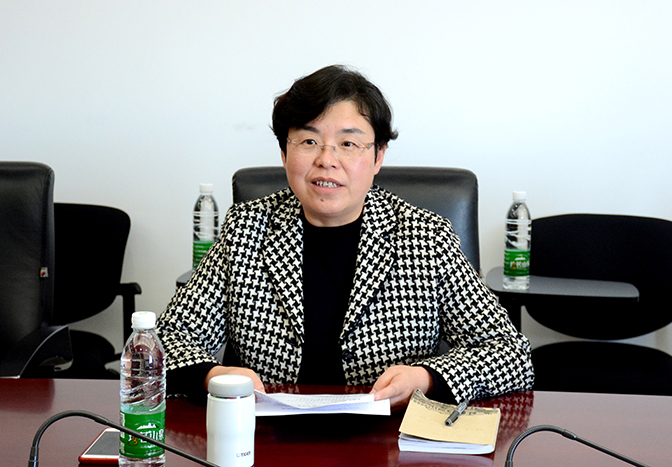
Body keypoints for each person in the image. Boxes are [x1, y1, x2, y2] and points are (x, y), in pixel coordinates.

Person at [158, 65, 535, 408]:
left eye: (349, 143)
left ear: (378, 156)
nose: (327, 159)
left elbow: (511, 354)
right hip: (266, 437)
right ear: (285, 154)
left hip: (389, 439)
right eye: (308, 142)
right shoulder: (246, 229)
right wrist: (212, 374)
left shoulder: (425, 236)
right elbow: (165, 341)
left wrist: (427, 379)